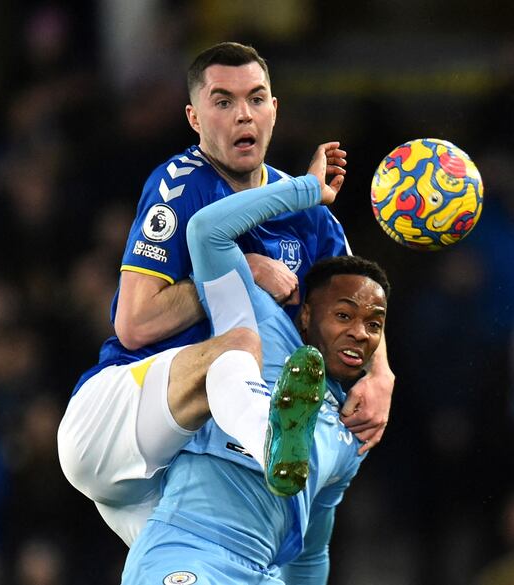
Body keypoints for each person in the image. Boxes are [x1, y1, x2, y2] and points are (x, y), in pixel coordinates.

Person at [57, 42, 394, 546]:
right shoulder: (182, 184)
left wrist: (381, 374)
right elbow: (134, 322)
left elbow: (358, 301)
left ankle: (265, 444)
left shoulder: (311, 218)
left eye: (256, 99)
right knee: (237, 344)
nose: (244, 116)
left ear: (274, 110)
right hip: (118, 417)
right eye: (223, 102)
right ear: (194, 118)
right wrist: (241, 271)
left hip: (187, 462)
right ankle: (269, 439)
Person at [121, 142, 390, 584]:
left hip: (261, 572)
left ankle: (275, 438)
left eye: (374, 325)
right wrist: (306, 191)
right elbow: (207, 230)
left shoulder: (350, 434)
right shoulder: (259, 324)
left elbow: (309, 554)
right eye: (343, 315)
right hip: (190, 551)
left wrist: (383, 371)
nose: (360, 333)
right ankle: (266, 433)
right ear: (305, 313)